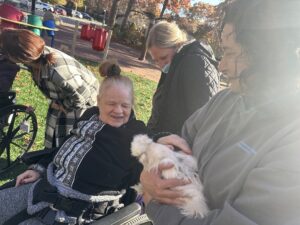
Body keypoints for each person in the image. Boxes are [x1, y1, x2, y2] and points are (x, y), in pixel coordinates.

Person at [140, 0, 300, 224]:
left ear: (268, 55)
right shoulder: (226, 100)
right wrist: (155, 167)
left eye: (230, 52)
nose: (221, 66)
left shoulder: (292, 142)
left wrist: (155, 204)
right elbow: (180, 141)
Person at [0, 61, 148, 225]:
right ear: (99, 101)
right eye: (111, 104)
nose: (118, 110)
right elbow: (66, 147)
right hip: (46, 186)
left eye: (125, 105)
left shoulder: (135, 134)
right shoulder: (91, 115)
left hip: (75, 211)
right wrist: (39, 168)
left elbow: (155, 150)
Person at [0, 29, 99, 149]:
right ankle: (51, 154)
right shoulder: (34, 58)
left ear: (21, 57)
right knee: (53, 131)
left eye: (6, 53)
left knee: (67, 137)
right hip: (63, 96)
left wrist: (63, 105)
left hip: (83, 101)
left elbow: (82, 96)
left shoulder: (58, 72)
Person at [146, 21, 220, 135]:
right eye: (156, 60)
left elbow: (201, 123)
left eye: (164, 57)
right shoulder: (176, 63)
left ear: (177, 44)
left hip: (175, 149)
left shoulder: (195, 64)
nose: (161, 65)